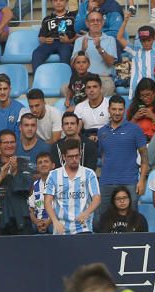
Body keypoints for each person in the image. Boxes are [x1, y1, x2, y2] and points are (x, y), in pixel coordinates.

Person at [97, 95, 148, 226]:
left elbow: (144, 156)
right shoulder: (101, 132)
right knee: (102, 221)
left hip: (129, 182)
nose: (117, 112)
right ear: (109, 109)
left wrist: (142, 180)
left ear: (124, 110)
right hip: (106, 182)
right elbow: (103, 155)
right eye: (114, 109)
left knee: (132, 221)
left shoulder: (135, 129)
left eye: (120, 109)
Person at [0, 129, 36, 236]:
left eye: (12, 142)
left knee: (24, 252)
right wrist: (1, 176)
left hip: (21, 216)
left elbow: (29, 191)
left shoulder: (25, 162)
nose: (9, 145)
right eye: (6, 142)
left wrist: (15, 172)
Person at [46, 138, 101, 235]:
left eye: (77, 156)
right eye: (70, 157)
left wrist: (86, 213)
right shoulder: (53, 175)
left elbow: (97, 198)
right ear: (63, 157)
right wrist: (54, 221)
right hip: (61, 229)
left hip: (83, 228)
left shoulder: (89, 174)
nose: (74, 159)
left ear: (80, 154)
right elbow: (47, 201)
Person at [118, 23, 155, 95]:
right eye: (143, 41)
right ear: (140, 41)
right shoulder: (135, 51)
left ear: (153, 39)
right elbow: (119, 37)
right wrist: (125, 21)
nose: (146, 43)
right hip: (138, 91)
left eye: (149, 40)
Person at [72, 11, 117, 96]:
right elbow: (73, 64)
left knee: (108, 87)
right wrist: (82, 50)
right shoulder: (79, 40)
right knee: (64, 88)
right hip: (83, 78)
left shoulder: (110, 39)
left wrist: (99, 48)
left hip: (103, 78)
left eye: (98, 20)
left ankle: (84, 101)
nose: (95, 23)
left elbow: (111, 62)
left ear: (103, 22)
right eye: (92, 20)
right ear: (87, 23)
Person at [31, 0, 76, 74]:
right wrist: (45, 40)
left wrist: (69, 41)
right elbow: (41, 37)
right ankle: (37, 79)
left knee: (66, 54)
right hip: (50, 43)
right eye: (55, 1)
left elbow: (79, 35)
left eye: (61, 0)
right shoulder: (47, 19)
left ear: (66, 2)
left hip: (66, 44)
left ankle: (66, 80)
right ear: (52, 3)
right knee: (36, 53)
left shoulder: (73, 17)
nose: (58, 2)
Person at [73, 73, 108, 141]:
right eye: (88, 87)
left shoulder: (109, 104)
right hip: (87, 138)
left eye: (95, 87)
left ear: (100, 88)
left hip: (107, 137)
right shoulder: (79, 107)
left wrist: (100, 137)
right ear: (85, 90)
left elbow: (114, 127)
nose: (91, 90)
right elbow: (77, 130)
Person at [27, 151, 54, 234]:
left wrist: (48, 222)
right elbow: (30, 210)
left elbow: (62, 207)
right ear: (37, 168)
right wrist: (37, 222)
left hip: (55, 221)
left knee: (53, 228)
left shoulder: (60, 183)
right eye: (40, 162)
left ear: (53, 165)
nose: (43, 164)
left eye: (46, 161)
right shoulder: (34, 186)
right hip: (38, 223)